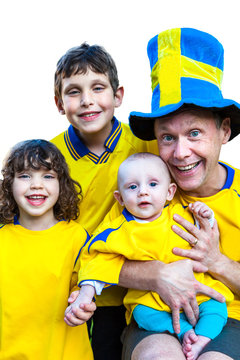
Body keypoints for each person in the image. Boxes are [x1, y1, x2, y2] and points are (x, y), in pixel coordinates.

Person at [115, 28, 240, 359]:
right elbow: (102, 254)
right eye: (167, 137)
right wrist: (158, 275)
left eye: (195, 133)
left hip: (230, 318)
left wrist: (216, 261)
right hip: (154, 315)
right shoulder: (144, 188)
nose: (181, 152)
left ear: (224, 130)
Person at [66, 152, 233, 360]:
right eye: (132, 187)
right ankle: (184, 333)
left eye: (153, 185)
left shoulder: (180, 214)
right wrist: (84, 295)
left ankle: (202, 338)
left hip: (197, 293)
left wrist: (205, 213)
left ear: (170, 192)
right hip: (151, 301)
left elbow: (205, 227)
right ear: (119, 198)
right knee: (143, 315)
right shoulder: (119, 230)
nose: (143, 193)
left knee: (217, 307)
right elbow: (95, 261)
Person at [51, 43, 158, 359]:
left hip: (136, 292)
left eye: (98, 88)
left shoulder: (144, 145)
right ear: (59, 103)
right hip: (73, 293)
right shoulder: (48, 158)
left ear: (118, 95)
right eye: (73, 92)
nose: (87, 101)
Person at [0, 139, 95, 359]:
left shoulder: (76, 236)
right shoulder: (2, 238)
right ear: (9, 184)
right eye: (24, 176)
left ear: (61, 184)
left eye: (48, 176)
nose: (36, 184)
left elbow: (85, 284)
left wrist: (82, 301)